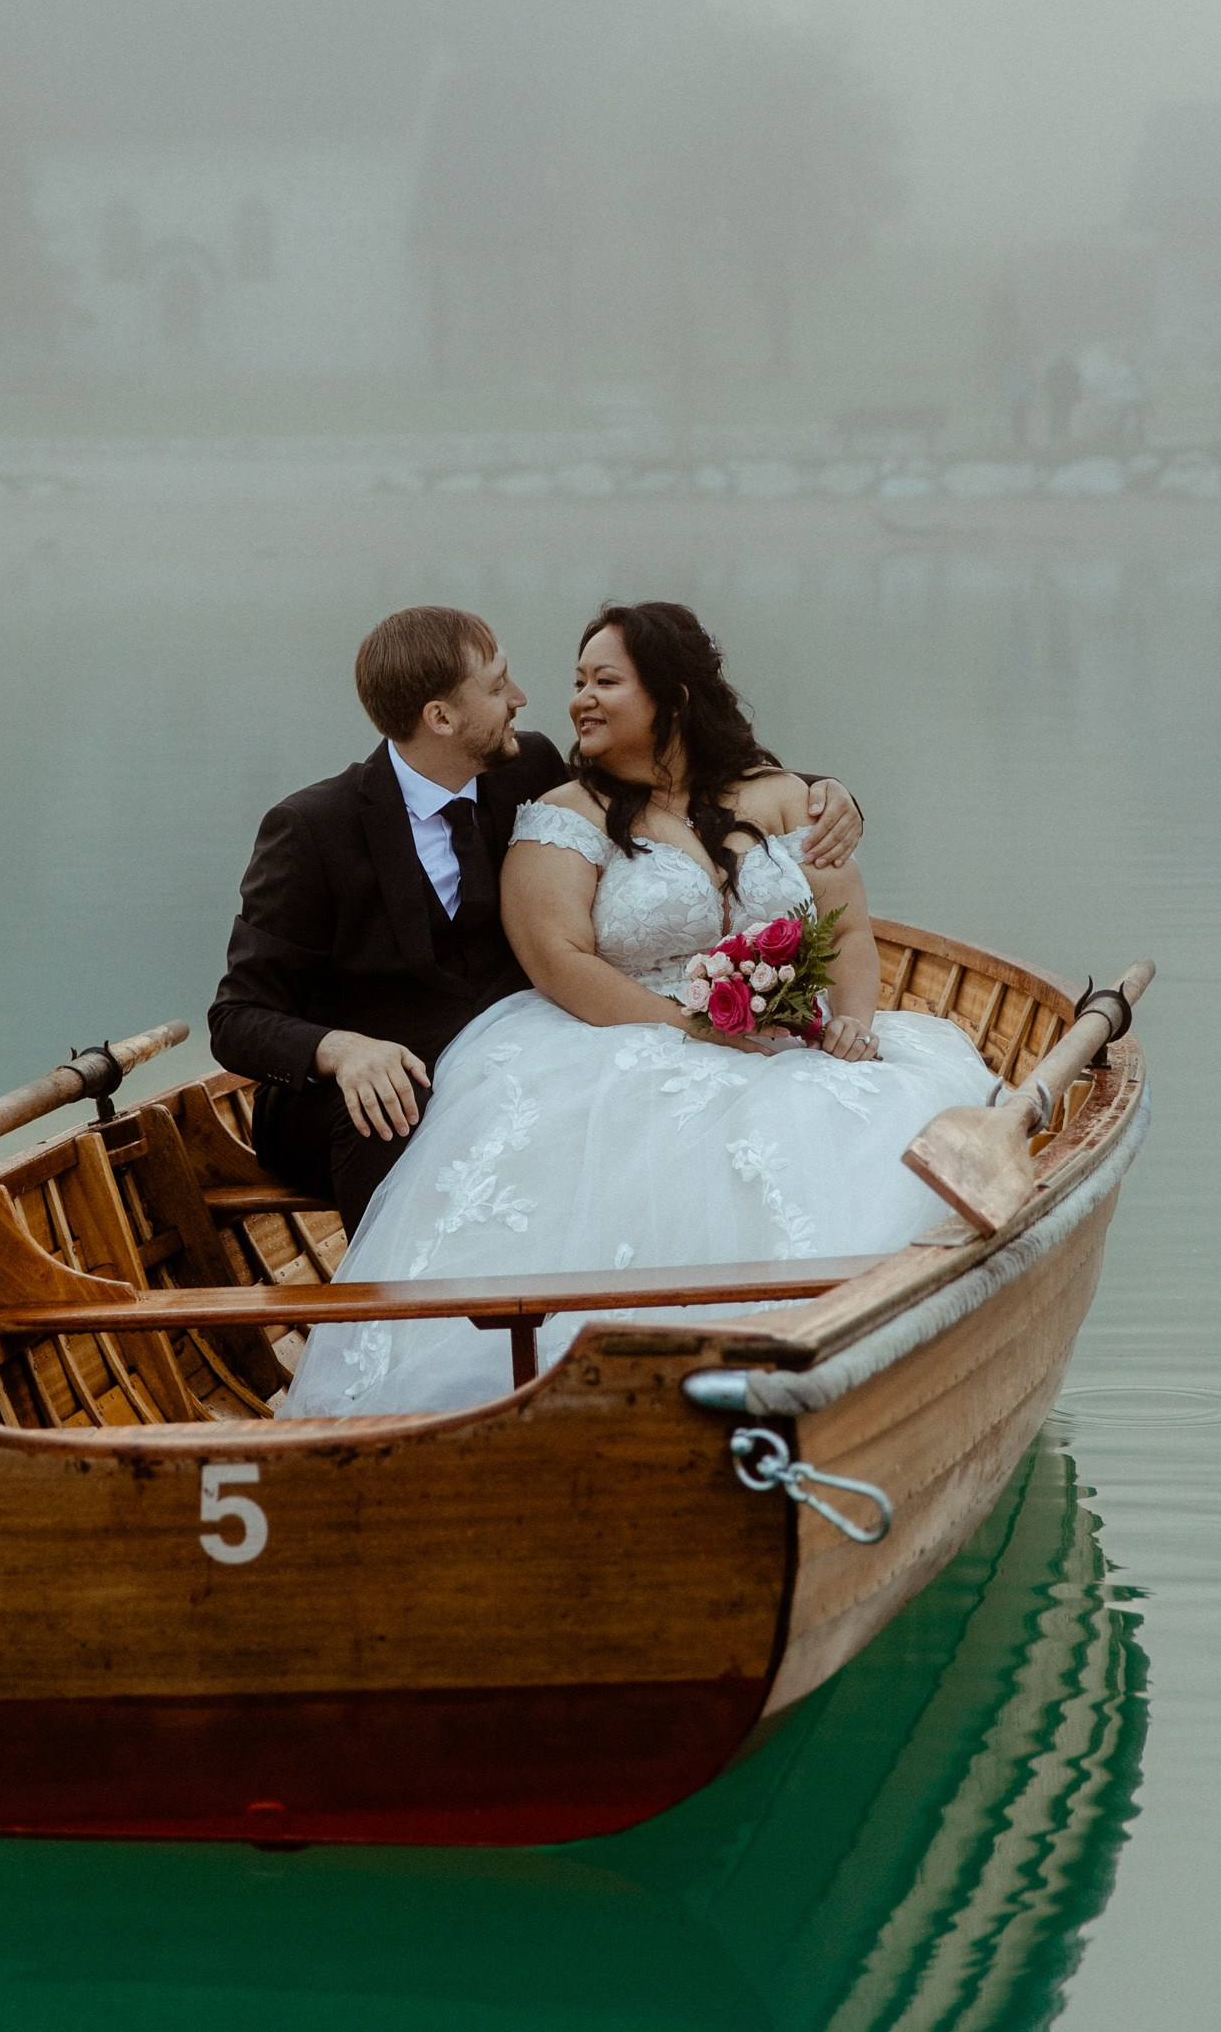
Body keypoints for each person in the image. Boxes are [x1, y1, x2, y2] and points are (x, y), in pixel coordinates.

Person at [279, 601, 996, 1421]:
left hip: (796, 1038)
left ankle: (882, 1365)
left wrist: (852, 1021)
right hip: (619, 1034)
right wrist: (695, 1030)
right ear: (442, 717)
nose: (567, 698)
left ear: (673, 696)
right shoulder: (553, 804)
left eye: (604, 681)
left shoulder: (780, 794)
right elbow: (558, 961)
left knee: (895, 1129)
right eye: (576, 680)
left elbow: (845, 930)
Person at [209, 605, 864, 1235]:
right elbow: (236, 1018)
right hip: (360, 1091)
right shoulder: (312, 830)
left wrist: (828, 793)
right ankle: (394, 1316)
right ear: (440, 717)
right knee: (395, 1115)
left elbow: (677, 781)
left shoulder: (524, 767)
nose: (521, 697)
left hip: (511, 1059)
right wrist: (340, 1050)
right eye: (497, 687)